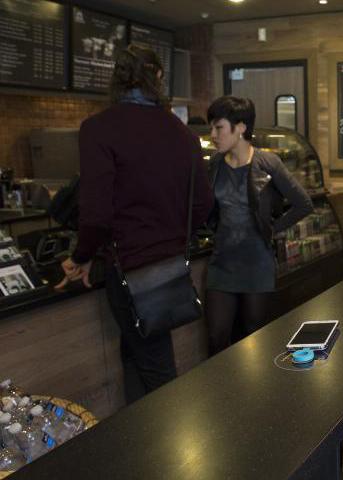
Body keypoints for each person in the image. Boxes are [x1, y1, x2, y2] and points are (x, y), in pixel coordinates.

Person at [56, 43, 213, 404]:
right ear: (158, 77)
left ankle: (173, 453)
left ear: (117, 78)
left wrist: (81, 257)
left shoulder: (98, 128)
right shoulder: (182, 132)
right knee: (139, 354)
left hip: (128, 267)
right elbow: (204, 204)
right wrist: (170, 237)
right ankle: (142, 446)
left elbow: (94, 214)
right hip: (170, 266)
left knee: (154, 364)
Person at [204, 96, 313, 356]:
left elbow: (303, 204)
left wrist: (272, 228)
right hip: (222, 266)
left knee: (254, 341)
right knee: (217, 337)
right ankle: (223, 394)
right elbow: (206, 208)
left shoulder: (267, 163)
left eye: (218, 128)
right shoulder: (215, 165)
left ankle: (253, 396)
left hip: (257, 266)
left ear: (240, 127)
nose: (212, 135)